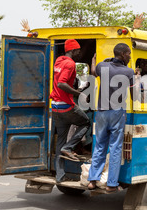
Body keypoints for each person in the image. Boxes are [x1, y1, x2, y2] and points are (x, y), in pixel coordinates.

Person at [87, 43, 139, 193]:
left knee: (99, 146)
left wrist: (93, 61)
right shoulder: (128, 72)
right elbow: (134, 96)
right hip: (117, 112)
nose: (130, 56)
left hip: (101, 112)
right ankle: (111, 183)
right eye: (128, 54)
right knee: (115, 148)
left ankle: (92, 180)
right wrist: (135, 78)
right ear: (123, 55)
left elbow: (92, 71)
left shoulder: (102, 66)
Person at [51, 39, 91, 183]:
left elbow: (60, 83)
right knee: (86, 122)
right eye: (78, 50)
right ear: (73, 50)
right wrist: (78, 94)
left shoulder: (58, 62)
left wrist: (79, 89)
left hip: (55, 105)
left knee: (60, 142)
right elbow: (61, 84)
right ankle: (69, 147)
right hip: (65, 105)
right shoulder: (69, 63)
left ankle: (60, 176)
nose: (80, 53)